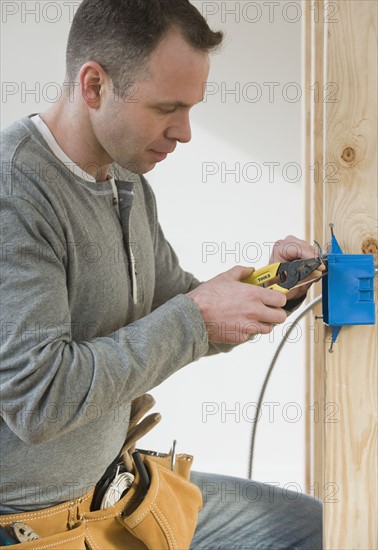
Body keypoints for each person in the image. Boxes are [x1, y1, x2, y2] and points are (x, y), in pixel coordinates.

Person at [0, 0, 322, 547]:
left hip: (119, 494)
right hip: (37, 530)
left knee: (316, 527)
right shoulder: (18, 195)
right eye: (167, 107)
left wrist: (276, 286)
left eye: (191, 108)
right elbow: (38, 399)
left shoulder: (123, 178)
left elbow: (177, 304)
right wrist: (197, 317)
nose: (185, 132)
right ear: (94, 85)